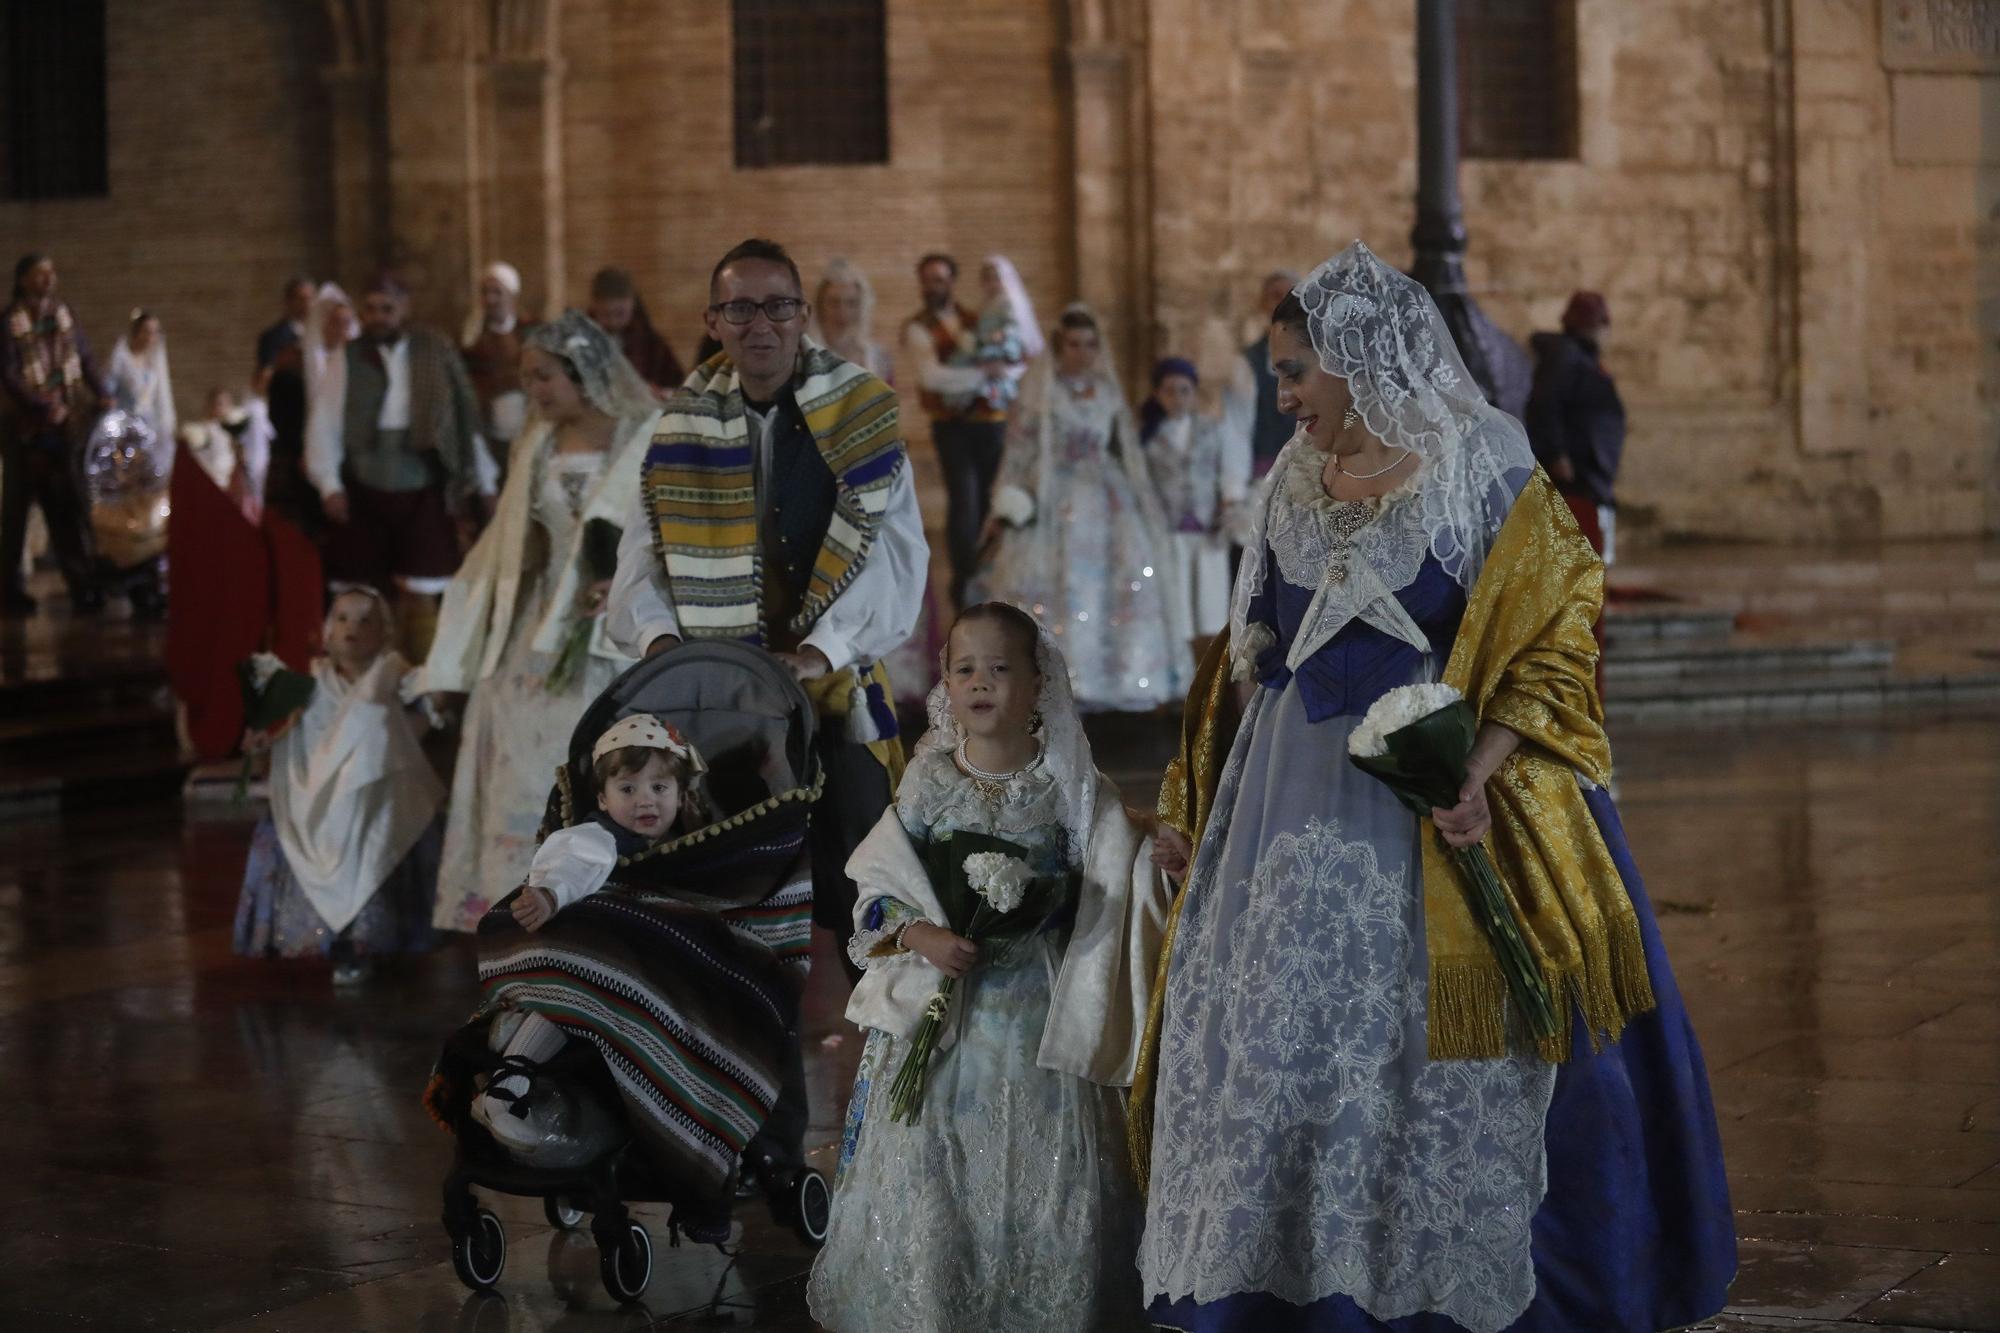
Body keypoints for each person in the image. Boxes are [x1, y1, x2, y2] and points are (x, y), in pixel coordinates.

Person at [1133, 243, 1735, 1333]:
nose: (1280, 400)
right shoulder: (1286, 481)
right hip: (1284, 801)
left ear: (1359, 363)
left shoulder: (1480, 459)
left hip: (1444, 790)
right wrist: (1190, 799)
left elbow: (1555, 628)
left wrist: (1479, 769)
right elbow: (1244, 653)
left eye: (1294, 375)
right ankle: (1271, 1278)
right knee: (1276, 1036)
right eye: (1276, 376)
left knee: (1443, 1045)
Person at [606, 235, 927, 1191]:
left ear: (803, 316)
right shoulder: (672, 429)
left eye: (777, 307)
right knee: (734, 934)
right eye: (738, 309)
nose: (760, 325)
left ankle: (901, 1135)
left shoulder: (861, 414)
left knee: (873, 909)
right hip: (718, 722)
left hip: (830, 705)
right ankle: (758, 1139)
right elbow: (636, 566)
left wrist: (818, 652)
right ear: (711, 323)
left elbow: (899, 561)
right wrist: (668, 644)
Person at [806, 602, 1170, 1333]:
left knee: (1040, 1150)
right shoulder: (928, 781)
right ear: (943, 681)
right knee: (935, 1147)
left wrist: (1157, 851)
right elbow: (875, 890)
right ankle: (934, 1292)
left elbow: (1116, 864)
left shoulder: (1068, 783)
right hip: (944, 1002)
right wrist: (921, 934)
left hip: (1034, 1003)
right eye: (965, 667)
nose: (983, 683)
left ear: (1038, 684)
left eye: (1002, 669)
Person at [422, 311, 663, 933]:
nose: (534, 391)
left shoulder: (644, 434)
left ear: (583, 374)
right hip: (543, 616)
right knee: (520, 742)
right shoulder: (538, 444)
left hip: (618, 612)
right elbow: (517, 540)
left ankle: (602, 890)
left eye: (545, 377)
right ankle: (518, 892)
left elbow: (667, 532)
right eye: (528, 379)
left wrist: (620, 583)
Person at [471, 713, 711, 1156]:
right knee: (589, 989)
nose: (645, 801)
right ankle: (507, 1088)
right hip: (577, 948)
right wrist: (549, 894)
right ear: (602, 798)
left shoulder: (685, 845)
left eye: (660, 788)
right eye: (628, 789)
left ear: (680, 795)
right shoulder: (599, 837)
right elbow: (572, 863)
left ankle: (526, 1049)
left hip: (634, 960)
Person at [979, 304, 1190, 712]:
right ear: (1060, 346)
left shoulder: (1107, 390)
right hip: (1054, 495)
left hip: (1104, 495)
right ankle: (1061, 675)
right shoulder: (1041, 389)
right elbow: (1021, 449)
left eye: (1090, 344)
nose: (1082, 353)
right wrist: (1006, 500)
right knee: (1059, 583)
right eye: (1074, 344)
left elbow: (1125, 448)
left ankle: (1118, 673)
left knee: (1119, 576)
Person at [233, 586, 442, 985]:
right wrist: (262, 739)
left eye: (367, 620)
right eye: (343, 618)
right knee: (291, 830)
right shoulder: (306, 683)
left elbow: (427, 713)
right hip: (316, 791)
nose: (353, 628)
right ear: (326, 632)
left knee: (380, 823)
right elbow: (283, 735)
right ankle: (333, 942)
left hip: (376, 795)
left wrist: (435, 703)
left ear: (385, 633)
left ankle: (369, 941)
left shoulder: (396, 675)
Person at [304, 273, 492, 656]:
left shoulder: (433, 349)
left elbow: (463, 417)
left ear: (404, 308)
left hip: (423, 476)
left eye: (387, 309)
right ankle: (367, 678)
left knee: (423, 588)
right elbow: (324, 422)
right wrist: (329, 484)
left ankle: (423, 680)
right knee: (364, 591)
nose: (378, 318)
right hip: (364, 479)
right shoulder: (349, 356)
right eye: (370, 309)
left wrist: (484, 482)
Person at [2, 252, 109, 614]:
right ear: (22, 280)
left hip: (63, 427)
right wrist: (42, 405)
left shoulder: (64, 316)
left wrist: (103, 392)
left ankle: (83, 585)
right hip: (22, 430)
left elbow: (85, 356)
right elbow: (10, 375)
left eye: (51, 272)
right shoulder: (9, 321)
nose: (48, 279)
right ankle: (8, 591)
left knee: (64, 504)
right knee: (16, 510)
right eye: (39, 273)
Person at [902, 252, 1010, 607]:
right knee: (963, 499)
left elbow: (1004, 358)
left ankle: (989, 573)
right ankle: (964, 582)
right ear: (921, 284)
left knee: (990, 500)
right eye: (929, 279)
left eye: (942, 279)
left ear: (952, 281)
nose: (935, 286)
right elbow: (932, 376)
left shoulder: (974, 319)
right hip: (951, 427)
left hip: (990, 424)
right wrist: (982, 375)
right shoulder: (918, 327)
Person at [1140, 356, 1243, 643]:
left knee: (1210, 605)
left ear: (1194, 393)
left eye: (1184, 390)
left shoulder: (1212, 429)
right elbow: (1143, 484)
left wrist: (1228, 503)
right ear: (1158, 394)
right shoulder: (1149, 437)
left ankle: (1210, 673)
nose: (1177, 398)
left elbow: (1228, 469)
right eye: (1169, 391)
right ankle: (1182, 675)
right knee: (1177, 606)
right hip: (1168, 529)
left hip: (1207, 527)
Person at [1526, 291, 1624, 565]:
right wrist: (1558, 454)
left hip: (1588, 474)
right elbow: (1545, 404)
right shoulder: (1566, 357)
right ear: (1595, 325)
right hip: (1575, 476)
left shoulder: (1578, 358)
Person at [1221, 268, 1303, 486]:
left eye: (1292, 295)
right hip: (1264, 480)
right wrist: (1233, 491)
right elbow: (1236, 430)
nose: (1284, 302)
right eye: (1275, 296)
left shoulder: (1322, 361)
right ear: (1262, 304)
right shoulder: (1247, 364)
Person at [460, 261, 536, 485]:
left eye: (497, 292)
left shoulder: (532, 333)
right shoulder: (472, 341)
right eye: (485, 292)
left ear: (512, 295)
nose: (490, 299)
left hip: (528, 432)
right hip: (490, 438)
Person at [587, 266, 684, 392]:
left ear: (632, 304)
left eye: (620, 314)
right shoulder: (582, 340)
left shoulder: (650, 342)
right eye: (605, 314)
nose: (613, 321)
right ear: (594, 306)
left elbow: (675, 383)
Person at [809, 257, 894, 383]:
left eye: (851, 303)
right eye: (834, 302)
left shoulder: (878, 360)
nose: (842, 311)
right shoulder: (803, 358)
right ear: (821, 306)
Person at [107, 310, 176, 444]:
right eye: (147, 331)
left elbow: (160, 396)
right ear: (136, 332)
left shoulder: (153, 364)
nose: (151, 337)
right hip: (122, 425)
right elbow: (109, 391)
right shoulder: (121, 360)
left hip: (148, 426)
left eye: (155, 332)